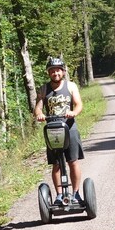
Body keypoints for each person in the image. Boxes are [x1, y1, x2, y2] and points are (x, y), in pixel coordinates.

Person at [34, 56, 85, 205]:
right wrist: (40, 114)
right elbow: (37, 108)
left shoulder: (71, 86)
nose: (55, 73)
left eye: (58, 70)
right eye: (52, 71)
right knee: (56, 164)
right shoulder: (43, 89)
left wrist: (74, 112)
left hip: (69, 127)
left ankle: (76, 194)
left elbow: (78, 104)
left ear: (62, 72)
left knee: (73, 161)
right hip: (52, 129)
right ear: (49, 73)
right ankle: (58, 196)